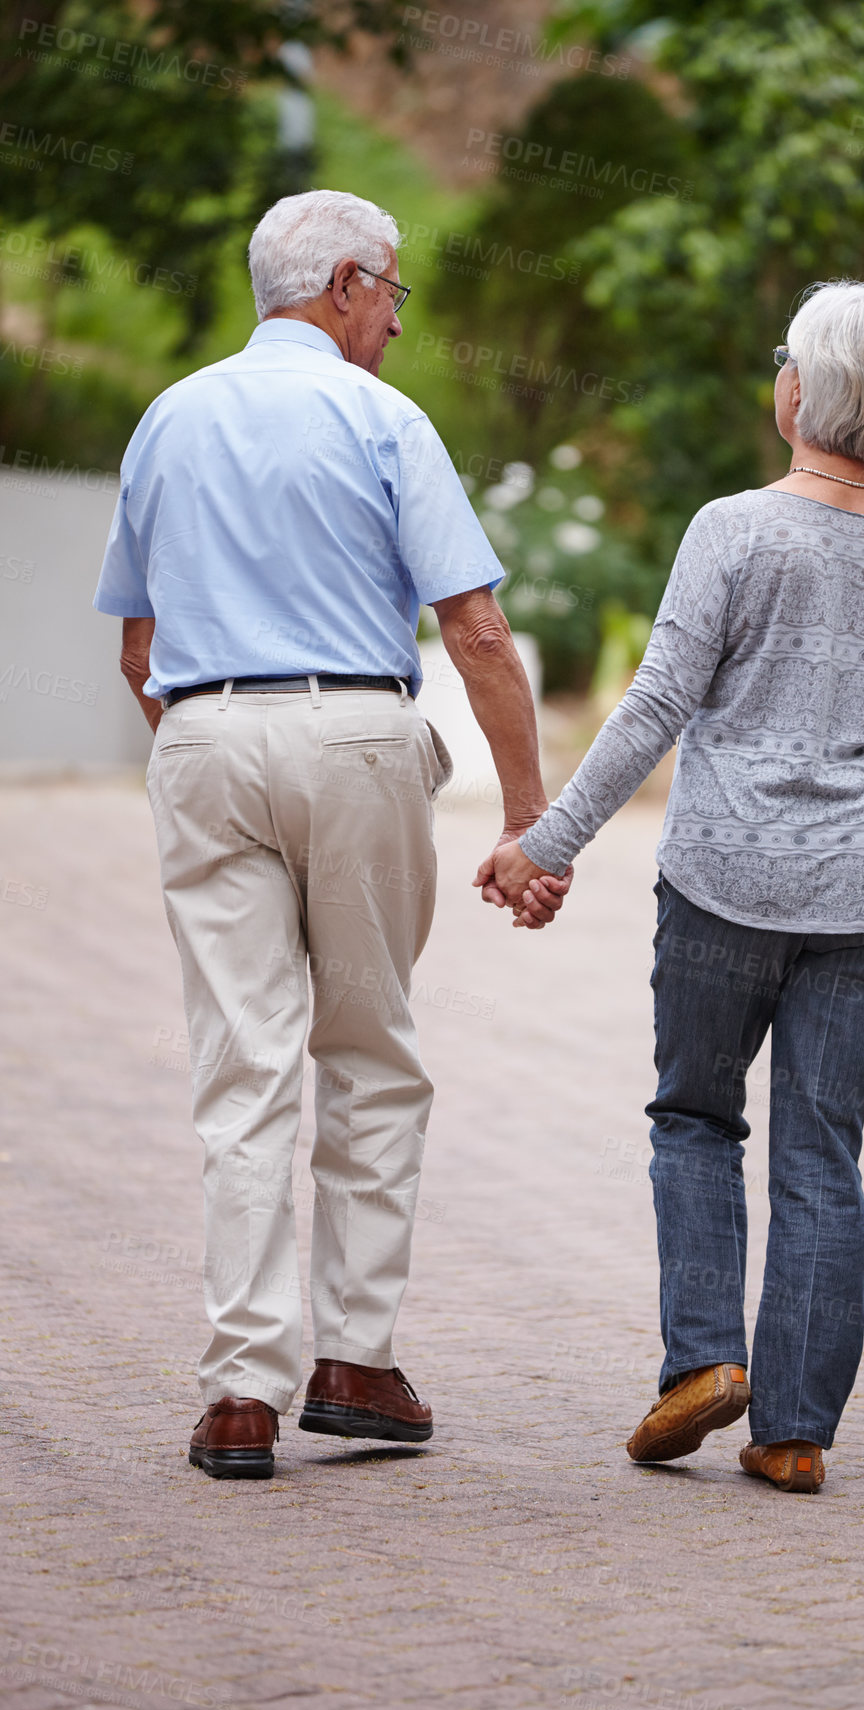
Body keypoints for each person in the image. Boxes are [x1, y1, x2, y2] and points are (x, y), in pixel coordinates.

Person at [95, 189, 570, 1479]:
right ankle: (355, 1362)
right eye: (396, 295)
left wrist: (206, 759)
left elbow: (137, 646)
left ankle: (239, 1393)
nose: (400, 323)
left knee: (241, 1068)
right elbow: (473, 631)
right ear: (349, 283)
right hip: (357, 735)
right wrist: (534, 821)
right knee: (366, 1047)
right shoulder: (381, 418)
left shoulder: (169, 417)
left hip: (198, 733)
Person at [478, 280, 864, 1493]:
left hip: (721, 884)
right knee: (822, 1153)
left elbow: (654, 706)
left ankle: (700, 1365)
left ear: (796, 391)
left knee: (695, 1119)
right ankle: (794, 1430)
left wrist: (548, 840)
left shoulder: (731, 530)